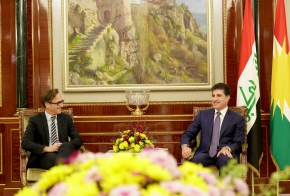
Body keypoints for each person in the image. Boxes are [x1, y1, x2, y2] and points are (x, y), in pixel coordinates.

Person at [180, 83, 245, 170]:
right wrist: (184, 146)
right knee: (196, 161)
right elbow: (188, 134)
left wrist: (227, 148)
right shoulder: (203, 115)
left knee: (224, 160)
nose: (215, 99)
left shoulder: (237, 118)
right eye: (213, 96)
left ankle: (224, 184)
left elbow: (238, 142)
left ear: (227, 98)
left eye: (219, 96)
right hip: (205, 153)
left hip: (225, 153)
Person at [21, 89, 83, 170]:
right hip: (44, 156)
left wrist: (64, 146)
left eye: (62, 101)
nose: (62, 105)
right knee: (62, 160)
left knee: (66, 146)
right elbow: (25, 143)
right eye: (58, 103)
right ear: (47, 104)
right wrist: (47, 148)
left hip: (64, 152)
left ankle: (60, 174)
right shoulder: (35, 120)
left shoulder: (66, 118)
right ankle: (64, 173)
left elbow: (78, 139)